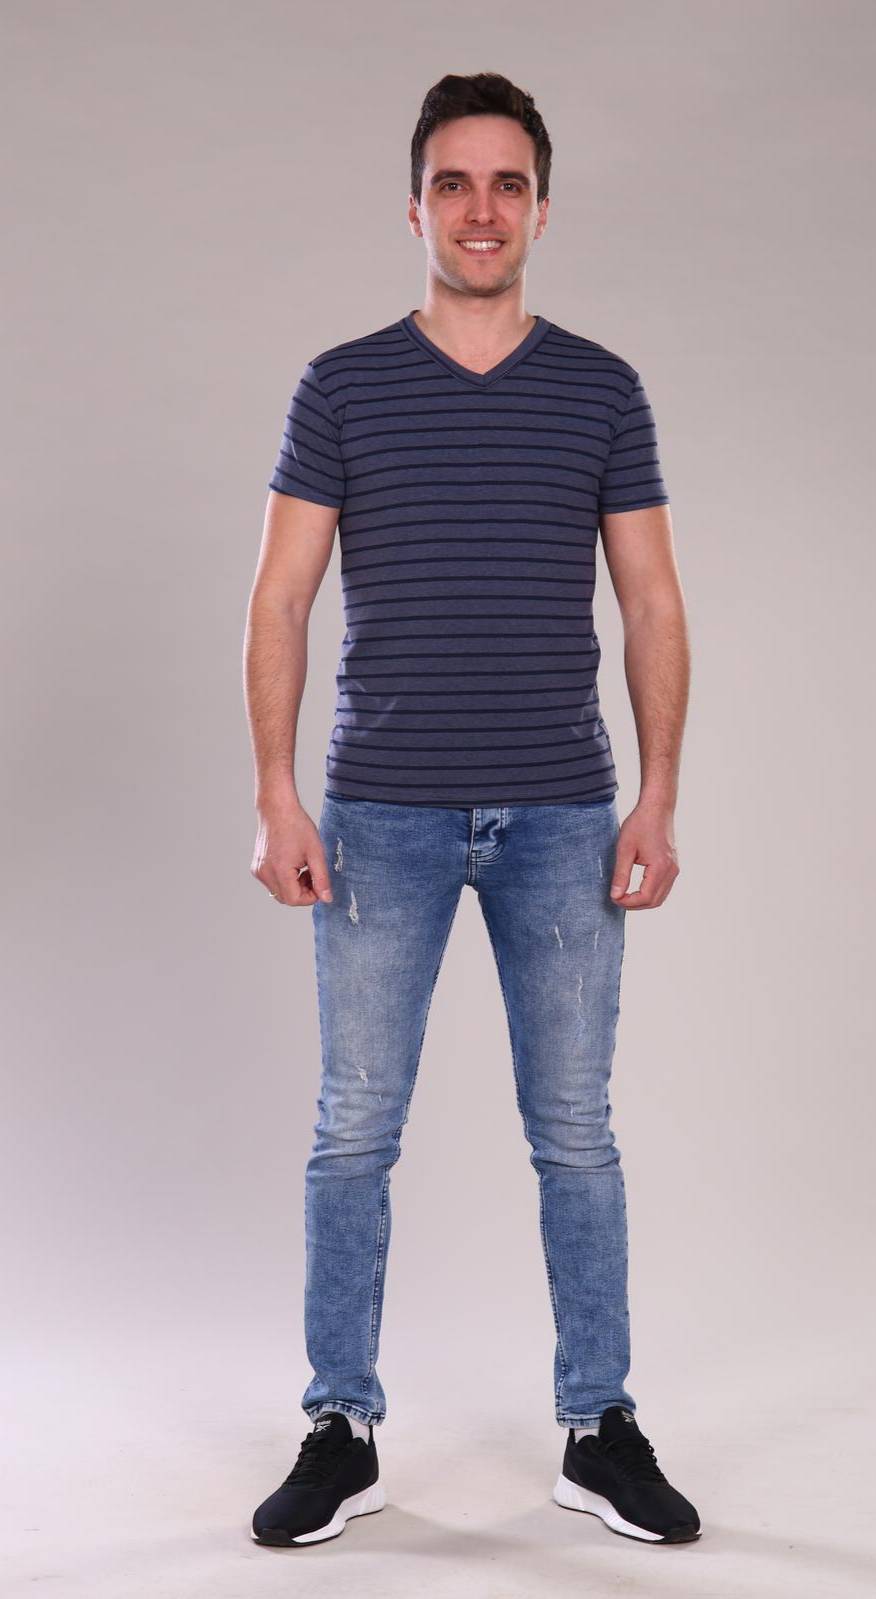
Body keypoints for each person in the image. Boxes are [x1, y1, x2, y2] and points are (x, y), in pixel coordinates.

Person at [244, 71, 699, 1549]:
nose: (482, 210)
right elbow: (282, 596)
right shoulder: (343, 385)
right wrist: (277, 794)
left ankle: (597, 1424)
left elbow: (651, 601)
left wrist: (659, 796)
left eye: (508, 184)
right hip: (380, 813)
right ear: (417, 206)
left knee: (576, 1132)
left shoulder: (601, 389)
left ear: (543, 209)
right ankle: (340, 1424)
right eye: (455, 182)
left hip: (562, 815)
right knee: (353, 1131)